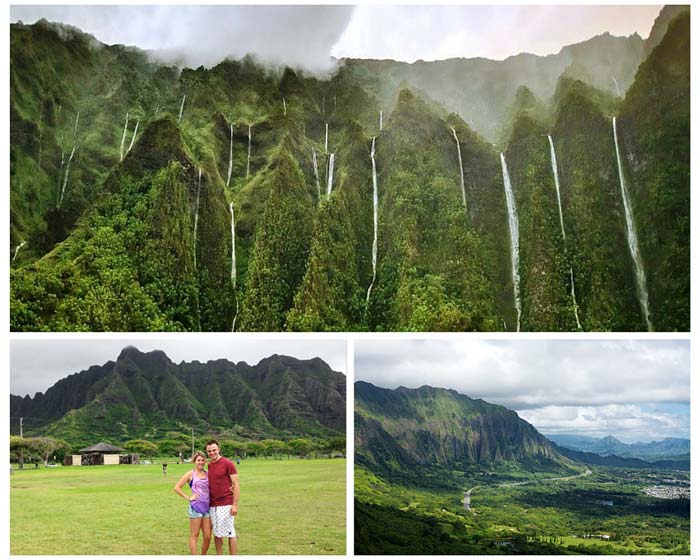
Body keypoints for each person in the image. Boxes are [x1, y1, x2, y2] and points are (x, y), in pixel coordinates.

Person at [205, 440, 239, 555]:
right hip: (213, 505)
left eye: (214, 450)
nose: (212, 453)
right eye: (209, 451)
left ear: (219, 449)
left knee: (230, 532)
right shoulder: (209, 465)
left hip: (226, 503)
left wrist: (235, 505)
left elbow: (236, 484)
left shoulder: (227, 463)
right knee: (217, 533)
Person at [174, 451, 212, 555]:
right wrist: (188, 497)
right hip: (196, 508)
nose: (201, 462)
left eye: (203, 460)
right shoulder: (190, 474)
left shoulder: (208, 473)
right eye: (198, 460)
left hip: (207, 508)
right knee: (194, 535)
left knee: (208, 536)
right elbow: (177, 488)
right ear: (194, 461)